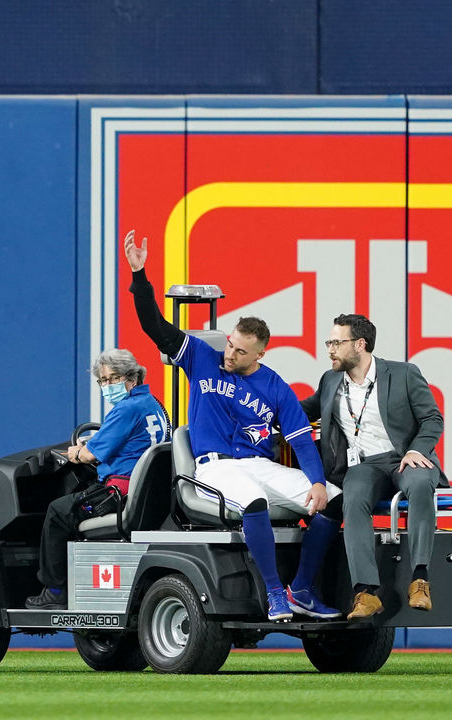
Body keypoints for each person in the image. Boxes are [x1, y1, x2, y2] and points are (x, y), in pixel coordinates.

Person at [123, 231, 342, 621]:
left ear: (260, 352)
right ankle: (275, 593)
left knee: (334, 501)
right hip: (215, 466)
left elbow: (302, 442)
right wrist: (140, 276)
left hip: (260, 465)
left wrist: (318, 483)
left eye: (241, 351)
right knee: (254, 502)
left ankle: (302, 590)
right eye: (230, 344)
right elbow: (153, 325)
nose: (231, 353)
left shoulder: (275, 386)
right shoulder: (202, 359)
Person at [300, 314, 448, 619]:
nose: (329, 349)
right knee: (352, 497)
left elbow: (432, 418)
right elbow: (302, 410)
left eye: (336, 342)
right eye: (329, 342)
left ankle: (420, 580)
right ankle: (366, 594)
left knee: (420, 484)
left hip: (406, 458)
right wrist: (262, 408)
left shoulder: (404, 373)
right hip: (365, 465)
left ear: (360, 344)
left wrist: (417, 450)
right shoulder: (330, 380)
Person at [25, 348, 170, 610]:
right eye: (102, 381)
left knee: (58, 512)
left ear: (132, 378)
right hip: (145, 494)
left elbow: (89, 455)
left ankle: (55, 591)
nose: (107, 386)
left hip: (118, 494)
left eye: (113, 379)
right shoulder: (152, 405)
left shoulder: (125, 410)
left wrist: (76, 452)